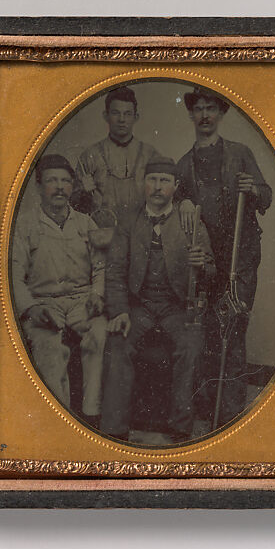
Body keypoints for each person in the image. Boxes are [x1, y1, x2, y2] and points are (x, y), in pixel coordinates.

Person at [175, 87, 271, 429]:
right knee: (210, 333)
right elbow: (176, 211)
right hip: (208, 263)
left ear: (220, 114)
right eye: (198, 109)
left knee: (234, 327)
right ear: (190, 115)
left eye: (210, 109)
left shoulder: (240, 154)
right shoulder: (184, 165)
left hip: (240, 260)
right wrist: (183, 201)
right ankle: (207, 409)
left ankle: (230, 414)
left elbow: (267, 196)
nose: (204, 115)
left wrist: (254, 190)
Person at [100, 156, 215, 442]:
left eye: (165, 181)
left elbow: (212, 272)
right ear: (143, 183)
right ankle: (114, 430)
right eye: (152, 180)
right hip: (139, 306)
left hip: (177, 308)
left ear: (176, 186)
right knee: (117, 341)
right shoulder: (129, 221)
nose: (157, 187)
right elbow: (114, 272)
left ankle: (180, 428)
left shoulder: (191, 220)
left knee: (190, 347)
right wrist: (120, 312)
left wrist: (202, 265)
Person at [10, 154, 107, 415]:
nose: (60, 187)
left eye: (66, 181)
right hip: (43, 304)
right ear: (39, 186)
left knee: (98, 335)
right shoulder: (25, 225)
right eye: (52, 181)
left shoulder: (86, 223)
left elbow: (100, 268)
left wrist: (97, 295)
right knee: (49, 349)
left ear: (73, 187)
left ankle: (90, 416)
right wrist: (30, 308)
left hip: (81, 301)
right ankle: (59, 418)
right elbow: (14, 273)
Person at [75, 85, 195, 236]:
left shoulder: (150, 155)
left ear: (136, 117)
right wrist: (83, 193)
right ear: (106, 116)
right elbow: (73, 208)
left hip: (141, 236)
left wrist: (185, 202)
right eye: (115, 113)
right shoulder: (89, 156)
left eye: (127, 114)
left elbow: (171, 188)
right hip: (101, 235)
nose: (121, 120)